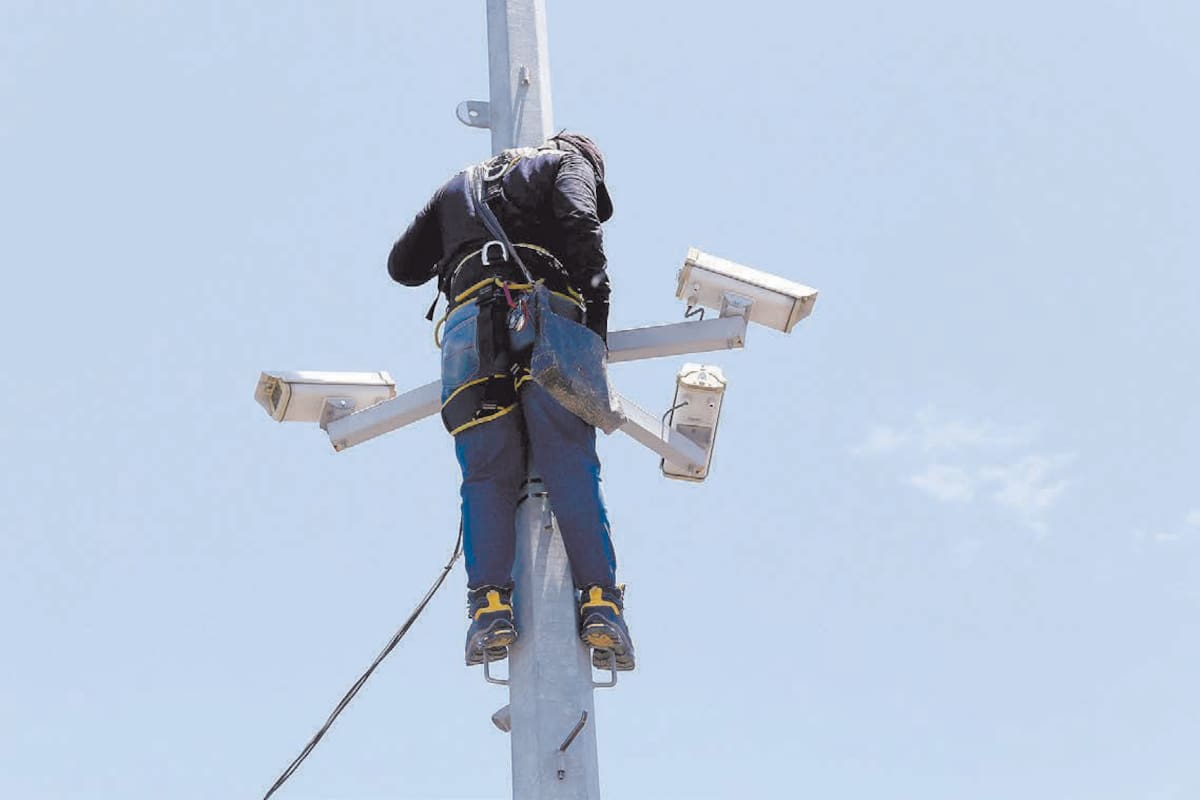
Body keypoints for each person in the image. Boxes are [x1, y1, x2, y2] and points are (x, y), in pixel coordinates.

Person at [387, 133, 635, 671]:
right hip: (544, 318)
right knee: (567, 460)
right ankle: (599, 603)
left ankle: (490, 610)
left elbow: (403, 266)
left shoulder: (458, 184)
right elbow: (580, 225)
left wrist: (464, 249)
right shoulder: (569, 164)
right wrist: (596, 323)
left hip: (469, 334)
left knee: (485, 475)